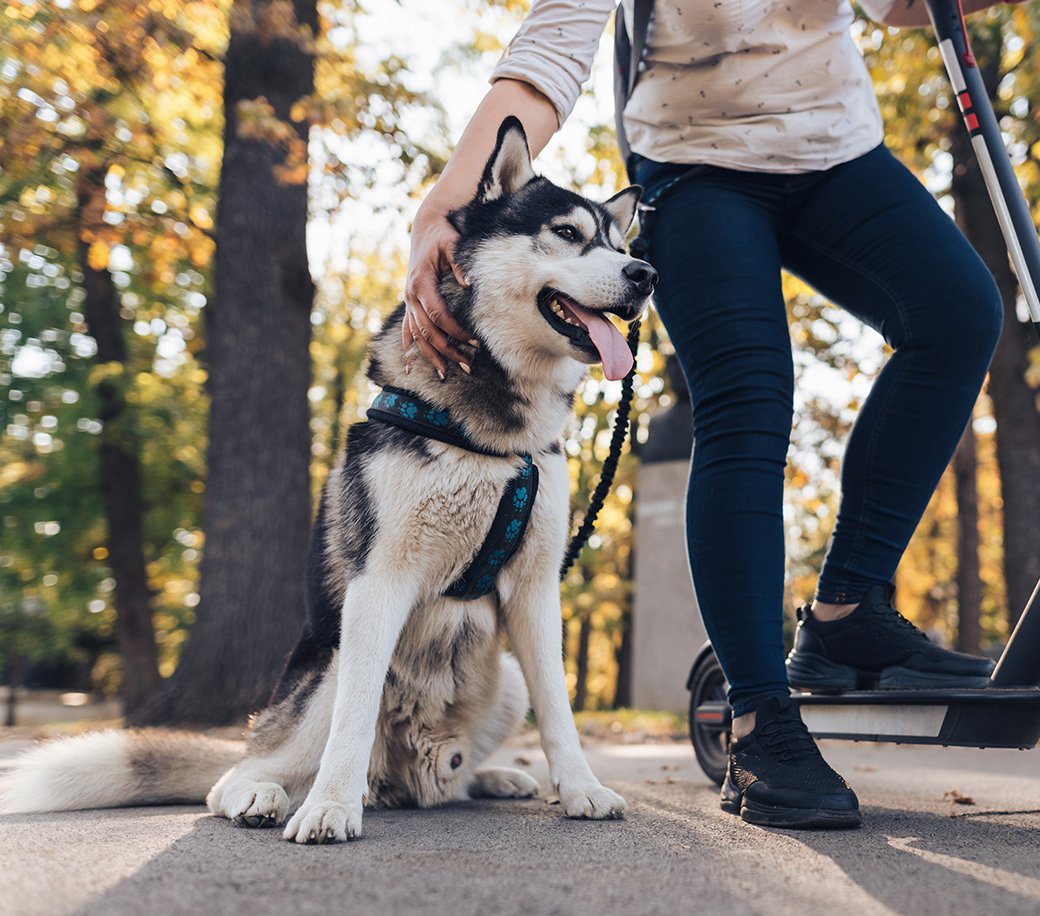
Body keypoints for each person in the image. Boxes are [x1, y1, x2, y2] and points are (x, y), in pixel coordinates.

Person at [404, 0, 1007, 829]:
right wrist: (447, 198)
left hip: (837, 146)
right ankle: (758, 718)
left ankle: (846, 615)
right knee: (750, 397)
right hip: (695, 166)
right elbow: (551, 55)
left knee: (960, 313)